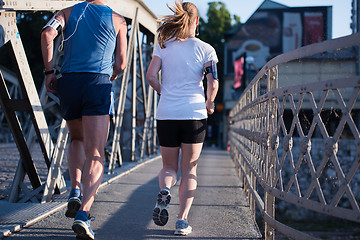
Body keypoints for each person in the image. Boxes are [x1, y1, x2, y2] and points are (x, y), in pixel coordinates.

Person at [41, 0, 127, 239]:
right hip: (97, 83)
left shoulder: (66, 13)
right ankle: (84, 214)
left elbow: (48, 33)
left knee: (76, 138)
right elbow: (121, 63)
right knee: (96, 152)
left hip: (69, 83)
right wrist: (111, 76)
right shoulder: (118, 20)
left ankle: (75, 189)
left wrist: (49, 71)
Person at [146, 0, 219, 236]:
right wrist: (209, 103)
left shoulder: (164, 46)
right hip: (194, 114)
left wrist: (163, 91)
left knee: (169, 167)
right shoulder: (206, 49)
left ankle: (165, 190)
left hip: (167, 112)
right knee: (190, 170)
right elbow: (213, 81)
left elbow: (150, 75)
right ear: (197, 21)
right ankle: (181, 221)